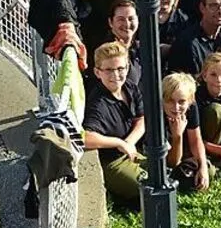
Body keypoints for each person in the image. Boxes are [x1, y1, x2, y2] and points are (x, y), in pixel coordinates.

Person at [83, 42, 145, 205]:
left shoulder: (130, 87)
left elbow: (142, 119)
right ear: (97, 72)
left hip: (129, 151)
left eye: (120, 69)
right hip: (112, 161)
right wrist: (118, 143)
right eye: (109, 70)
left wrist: (129, 142)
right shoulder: (99, 103)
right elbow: (85, 137)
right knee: (147, 187)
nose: (116, 75)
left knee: (162, 174)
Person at [160, 73, 212, 192]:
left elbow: (196, 140)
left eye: (182, 102)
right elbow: (172, 163)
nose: (176, 107)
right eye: (170, 100)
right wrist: (177, 136)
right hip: (166, 159)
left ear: (190, 101)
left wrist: (203, 167)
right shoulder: (158, 116)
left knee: (208, 171)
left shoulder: (191, 108)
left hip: (184, 151)